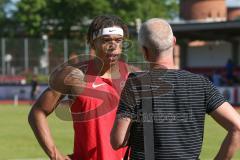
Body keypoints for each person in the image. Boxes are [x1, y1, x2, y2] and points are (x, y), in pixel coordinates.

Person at [111, 18, 240, 160]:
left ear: (144, 51)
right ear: (173, 42)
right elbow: (237, 127)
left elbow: (117, 141)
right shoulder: (201, 83)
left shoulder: (135, 84)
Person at [28, 15, 138, 160]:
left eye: (118, 41)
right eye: (106, 41)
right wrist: (55, 155)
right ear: (93, 43)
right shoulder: (73, 74)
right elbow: (37, 112)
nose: (113, 46)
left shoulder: (134, 76)